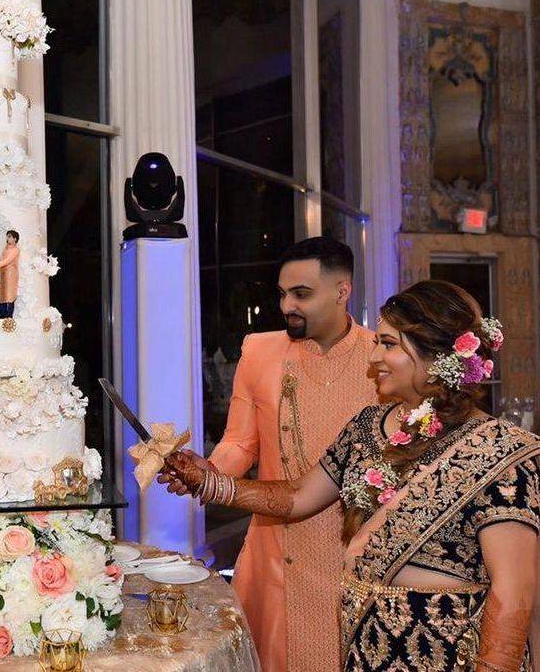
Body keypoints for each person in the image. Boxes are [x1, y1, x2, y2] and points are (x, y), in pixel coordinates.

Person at [164, 280, 540, 672]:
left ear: (437, 354)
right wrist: (206, 481)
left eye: (389, 344)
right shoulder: (367, 426)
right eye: (377, 341)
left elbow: (513, 595)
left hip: (447, 657)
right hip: (367, 648)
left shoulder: (501, 452)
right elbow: (296, 497)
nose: (373, 356)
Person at [160, 237, 378, 671]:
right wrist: (206, 471)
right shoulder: (260, 351)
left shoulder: (380, 358)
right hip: (275, 546)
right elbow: (241, 442)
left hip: (353, 549)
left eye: (301, 294)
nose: (287, 306)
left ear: (342, 291)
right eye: (282, 293)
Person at [0, 230, 20, 319]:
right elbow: (1, 261)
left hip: (11, 275)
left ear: (15, 239)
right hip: (3, 274)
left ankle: (8, 315)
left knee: (9, 294)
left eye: (9, 236)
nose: (7, 238)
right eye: (7, 236)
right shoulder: (5, 249)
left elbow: (8, 260)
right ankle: (0, 313)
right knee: (2, 294)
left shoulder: (16, 250)